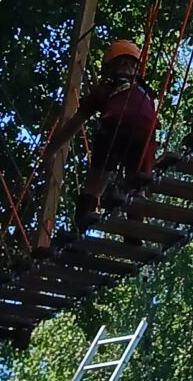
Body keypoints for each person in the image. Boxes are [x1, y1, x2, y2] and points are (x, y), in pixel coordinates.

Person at [39, 37, 158, 242]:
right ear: (136, 67)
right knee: (137, 184)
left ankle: (80, 228)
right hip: (145, 133)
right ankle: (134, 230)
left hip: (113, 128)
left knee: (95, 183)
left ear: (110, 68)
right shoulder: (146, 92)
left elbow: (75, 123)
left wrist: (51, 150)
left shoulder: (105, 89)